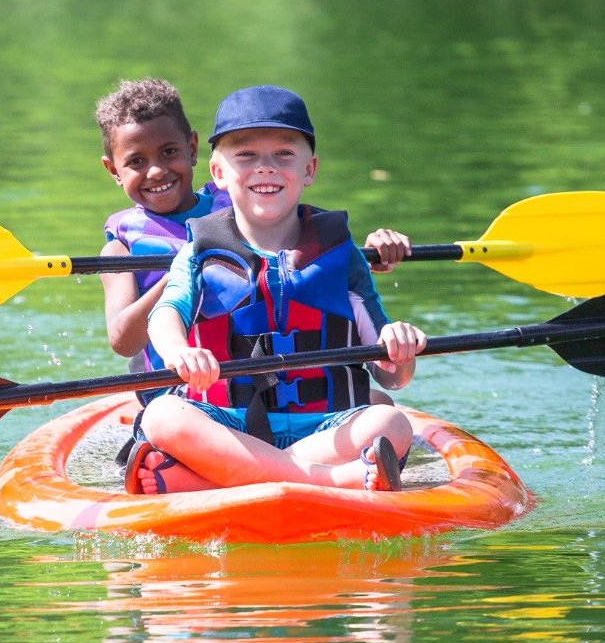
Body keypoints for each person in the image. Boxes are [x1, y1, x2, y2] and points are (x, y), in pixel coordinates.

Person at [127, 84, 422, 495]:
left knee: (389, 421)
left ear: (310, 169)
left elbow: (392, 378)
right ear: (218, 173)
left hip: (325, 425)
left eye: (284, 154)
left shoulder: (341, 255)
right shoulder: (199, 250)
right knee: (162, 415)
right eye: (245, 155)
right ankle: (331, 481)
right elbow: (166, 315)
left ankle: (206, 478)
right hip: (225, 421)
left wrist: (399, 349)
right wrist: (178, 351)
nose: (265, 167)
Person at [94, 78, 229, 373]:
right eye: (136, 162)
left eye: (169, 152)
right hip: (175, 391)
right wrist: (185, 269)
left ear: (192, 148)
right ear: (113, 170)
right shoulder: (120, 249)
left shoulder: (238, 209)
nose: (156, 171)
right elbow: (122, 341)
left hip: (250, 380)